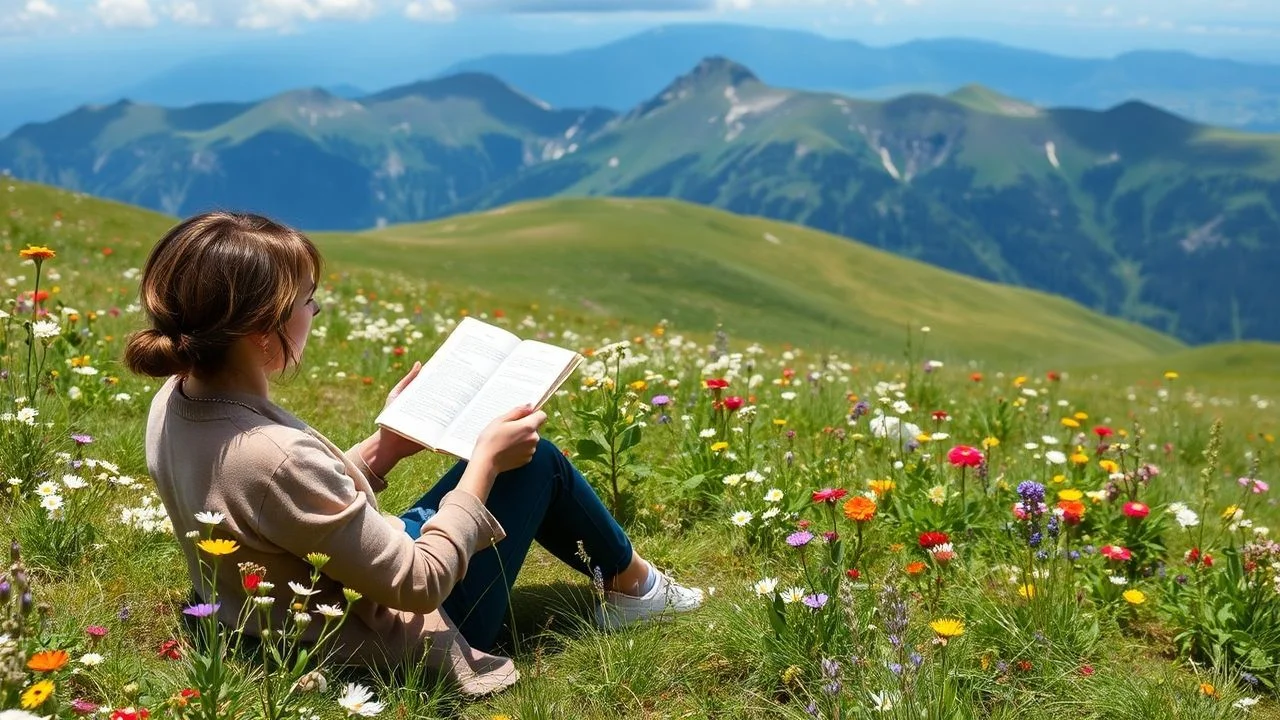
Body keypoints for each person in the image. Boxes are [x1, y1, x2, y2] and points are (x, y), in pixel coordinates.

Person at [124, 211, 703, 696]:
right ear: (259, 329)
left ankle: (633, 584)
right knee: (537, 461)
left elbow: (279, 510)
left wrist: (386, 447)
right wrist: (482, 465)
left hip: (272, 615)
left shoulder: (176, 400)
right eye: (307, 301)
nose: (315, 312)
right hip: (379, 641)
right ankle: (638, 590)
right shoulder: (272, 454)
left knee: (516, 462)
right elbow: (416, 584)